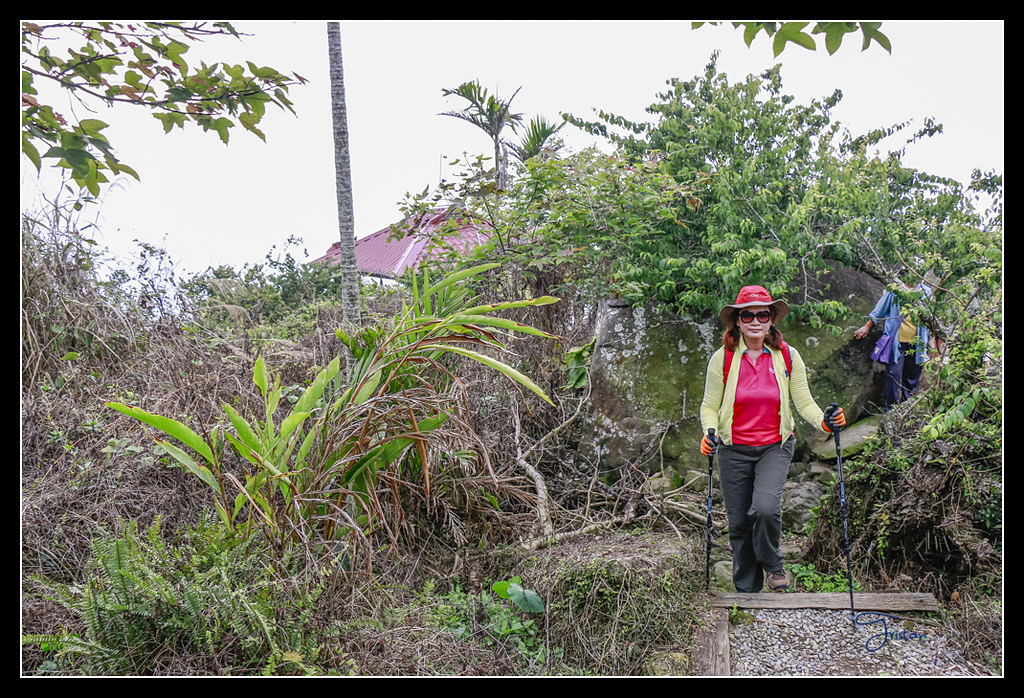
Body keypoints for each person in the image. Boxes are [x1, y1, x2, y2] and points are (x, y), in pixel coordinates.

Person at [699, 285, 846, 593]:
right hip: (732, 448)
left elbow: (803, 402)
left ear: (771, 319)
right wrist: (708, 432)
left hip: (774, 447)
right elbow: (710, 406)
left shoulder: (787, 356)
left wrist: (825, 421)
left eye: (762, 314)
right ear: (737, 321)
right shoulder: (722, 359)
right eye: (747, 315)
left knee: (765, 508)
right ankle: (747, 591)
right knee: (739, 523)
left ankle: (774, 564)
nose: (755, 320)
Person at [853, 277, 935, 410]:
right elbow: (880, 309)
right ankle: (890, 411)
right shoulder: (895, 291)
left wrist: (932, 341)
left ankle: (907, 411)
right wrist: (867, 326)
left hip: (917, 343)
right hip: (896, 342)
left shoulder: (925, 292)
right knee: (893, 376)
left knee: (912, 379)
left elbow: (930, 317)